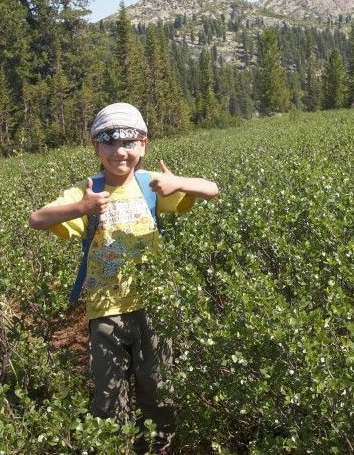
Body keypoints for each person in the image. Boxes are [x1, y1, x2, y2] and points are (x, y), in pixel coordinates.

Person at [28, 102, 218, 449]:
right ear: (95, 147)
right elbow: (37, 218)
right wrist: (82, 208)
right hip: (104, 313)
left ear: (143, 145)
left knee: (158, 394)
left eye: (130, 142)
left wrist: (178, 182)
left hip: (153, 307)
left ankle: (158, 448)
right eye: (109, 142)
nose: (120, 151)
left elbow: (211, 189)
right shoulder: (86, 190)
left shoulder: (152, 185)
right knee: (109, 405)